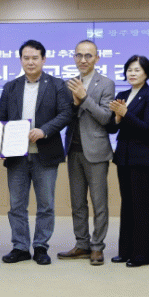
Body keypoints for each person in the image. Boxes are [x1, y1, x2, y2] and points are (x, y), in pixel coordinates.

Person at [0, 39, 73, 265]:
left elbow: (66, 113)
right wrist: (0, 141)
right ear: (21, 60)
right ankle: (20, 247)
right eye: (26, 58)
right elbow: (1, 118)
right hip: (16, 155)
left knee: (46, 204)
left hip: (45, 154)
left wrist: (44, 130)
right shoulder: (10, 87)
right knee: (17, 205)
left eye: (35, 58)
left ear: (43, 59)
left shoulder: (57, 85)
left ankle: (41, 246)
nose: (30, 62)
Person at [57, 40, 114, 266]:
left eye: (88, 56)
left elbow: (106, 117)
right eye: (79, 55)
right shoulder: (69, 84)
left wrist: (84, 98)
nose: (83, 60)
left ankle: (97, 247)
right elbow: (66, 116)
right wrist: (73, 104)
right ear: (74, 57)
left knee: (99, 203)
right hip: (73, 150)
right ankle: (82, 244)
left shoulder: (106, 83)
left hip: (96, 151)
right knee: (77, 202)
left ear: (97, 58)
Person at [108, 55, 149, 267]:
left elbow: (147, 128)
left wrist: (125, 113)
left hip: (142, 158)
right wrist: (117, 118)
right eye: (129, 69)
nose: (132, 73)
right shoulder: (122, 95)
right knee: (127, 205)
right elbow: (112, 128)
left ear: (146, 73)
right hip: (123, 157)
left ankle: (141, 255)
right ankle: (125, 251)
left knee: (141, 206)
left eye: (137, 70)